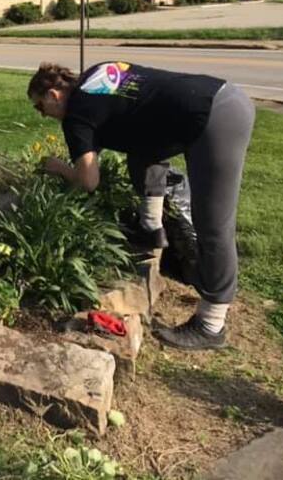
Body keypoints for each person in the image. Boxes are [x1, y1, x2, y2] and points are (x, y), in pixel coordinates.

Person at [28, 61, 255, 350]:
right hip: (223, 96)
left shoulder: (76, 114)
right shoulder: (97, 78)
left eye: (40, 107)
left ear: (52, 96)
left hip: (215, 118)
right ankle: (150, 228)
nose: (44, 115)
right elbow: (139, 126)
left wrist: (59, 167)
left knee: (213, 224)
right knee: (141, 148)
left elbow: (88, 181)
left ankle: (211, 324)